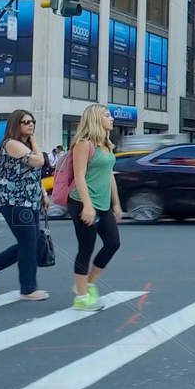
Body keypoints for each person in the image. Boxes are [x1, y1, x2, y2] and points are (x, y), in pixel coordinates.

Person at [0, 109, 51, 301]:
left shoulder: (23, 145)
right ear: (15, 125)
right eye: (25, 122)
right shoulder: (12, 144)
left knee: (33, 242)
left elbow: (33, 174)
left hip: (29, 200)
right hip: (14, 201)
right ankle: (28, 289)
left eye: (32, 121)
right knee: (29, 243)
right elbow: (38, 162)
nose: (30, 124)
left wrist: (43, 194)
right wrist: (34, 141)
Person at [66, 104, 122, 312]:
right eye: (107, 116)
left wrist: (116, 203)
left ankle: (86, 284)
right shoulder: (83, 144)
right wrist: (87, 206)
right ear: (96, 119)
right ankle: (81, 298)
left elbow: (109, 176)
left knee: (113, 243)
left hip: (103, 203)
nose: (111, 119)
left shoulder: (107, 144)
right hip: (82, 202)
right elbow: (79, 175)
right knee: (86, 248)